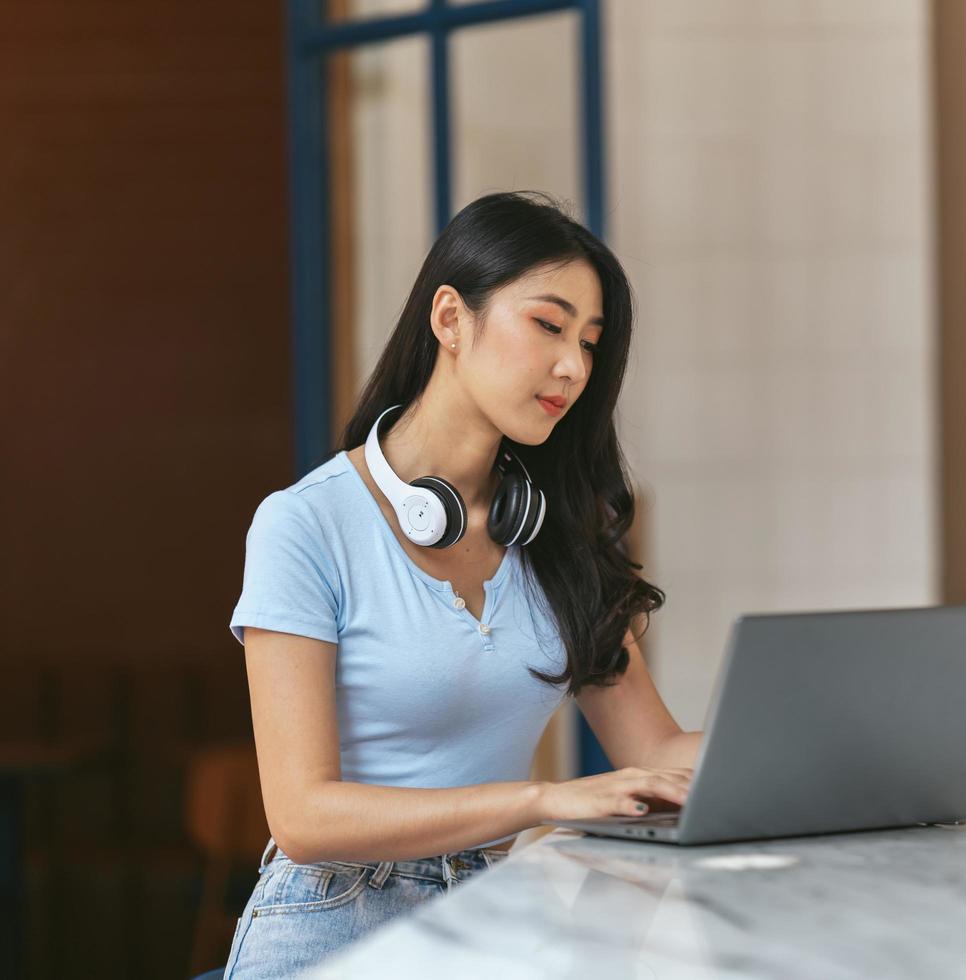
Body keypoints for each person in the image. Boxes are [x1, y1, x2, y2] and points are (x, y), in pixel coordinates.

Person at [223, 191, 700, 978]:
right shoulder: (305, 525)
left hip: (495, 920)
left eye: (590, 341)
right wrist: (542, 799)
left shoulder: (556, 537)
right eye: (548, 325)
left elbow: (655, 750)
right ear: (450, 318)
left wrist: (826, 749)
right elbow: (304, 816)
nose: (574, 366)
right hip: (333, 922)